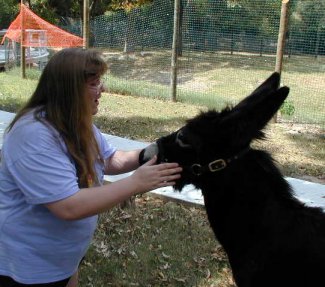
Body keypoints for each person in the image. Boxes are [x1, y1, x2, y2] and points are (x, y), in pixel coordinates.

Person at [0, 48, 182, 287]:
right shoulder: (33, 135)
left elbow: (107, 160)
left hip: (60, 261)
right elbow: (68, 206)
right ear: (70, 90)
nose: (103, 89)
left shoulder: (74, 122)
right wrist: (134, 183)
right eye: (94, 83)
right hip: (27, 268)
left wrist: (155, 150)